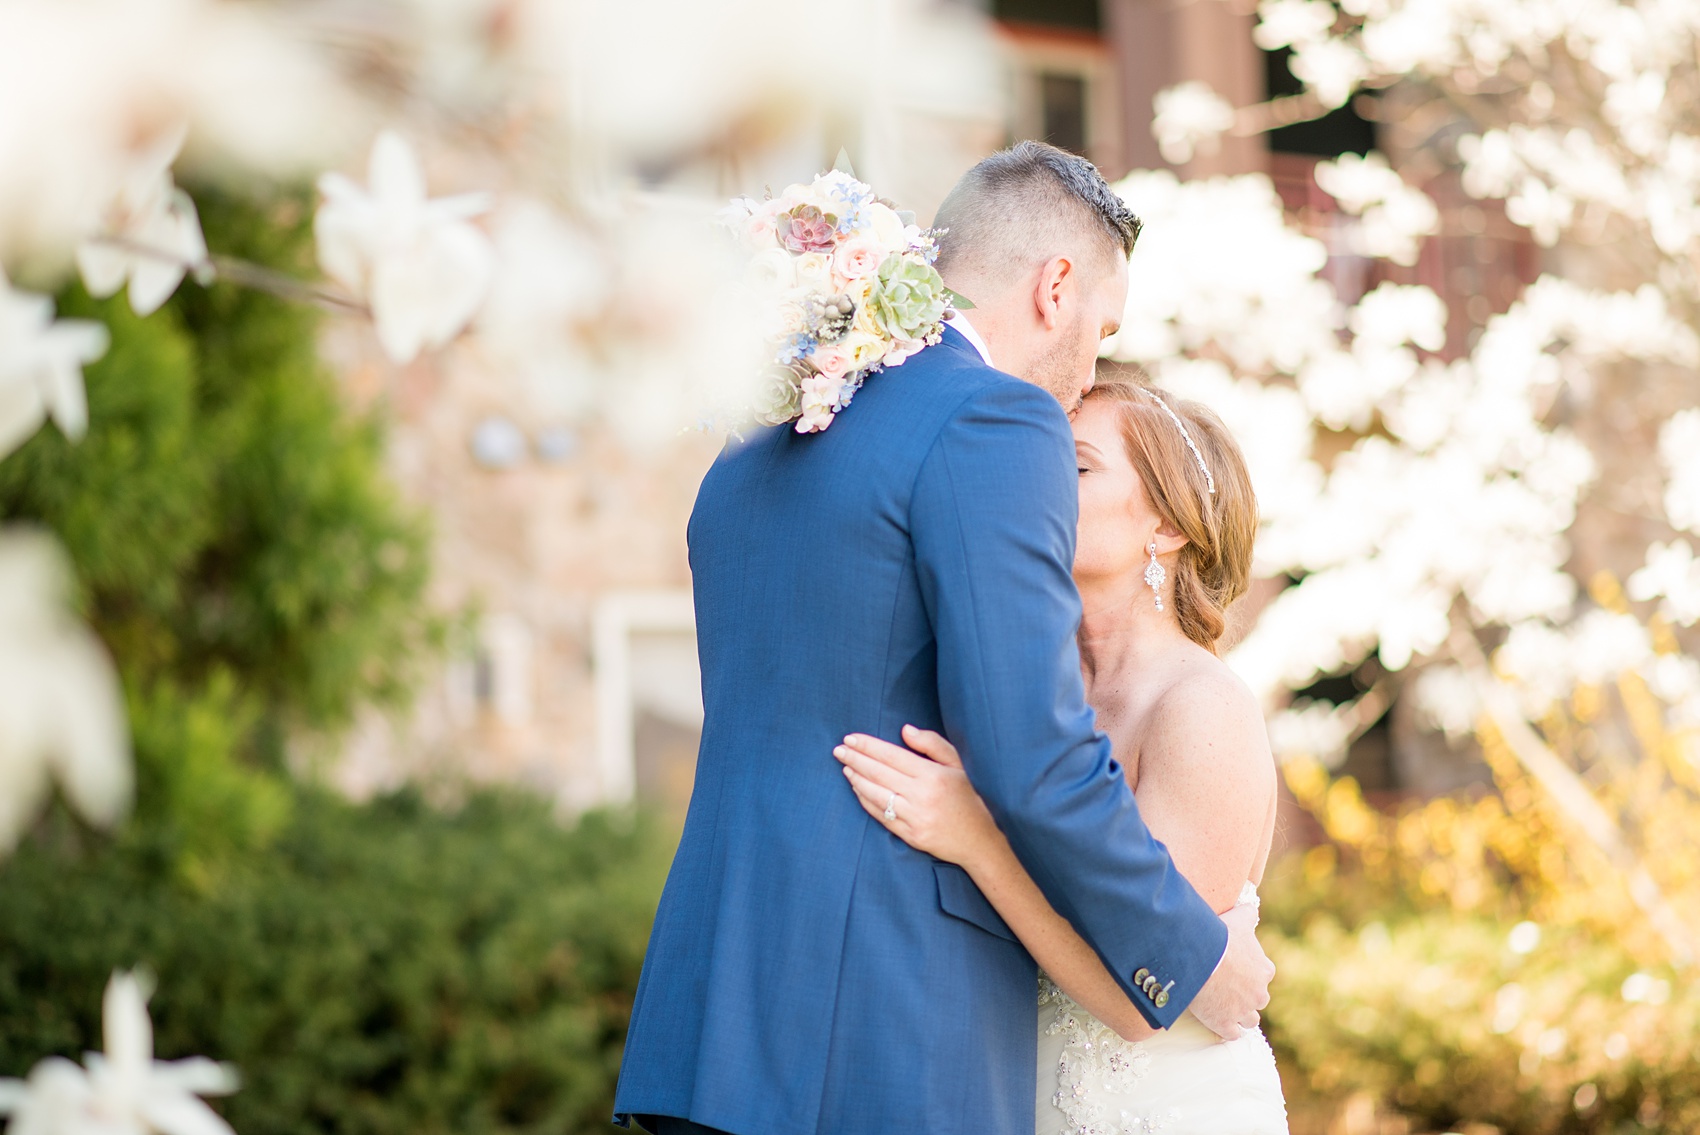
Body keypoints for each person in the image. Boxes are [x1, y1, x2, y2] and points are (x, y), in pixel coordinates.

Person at [613, 141, 1274, 1135]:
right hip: (880, 1023)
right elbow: (1032, 757)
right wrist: (1187, 956)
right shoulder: (991, 419)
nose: (1088, 367)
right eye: (1100, 329)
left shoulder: (766, 431)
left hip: (711, 1016)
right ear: (1054, 287)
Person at [836, 379, 1289, 1134]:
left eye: (1074, 467)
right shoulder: (1021, 697)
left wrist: (976, 835)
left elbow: (1144, 993)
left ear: (1168, 526)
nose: (1032, 482)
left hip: (1170, 1108)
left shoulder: (1201, 708)